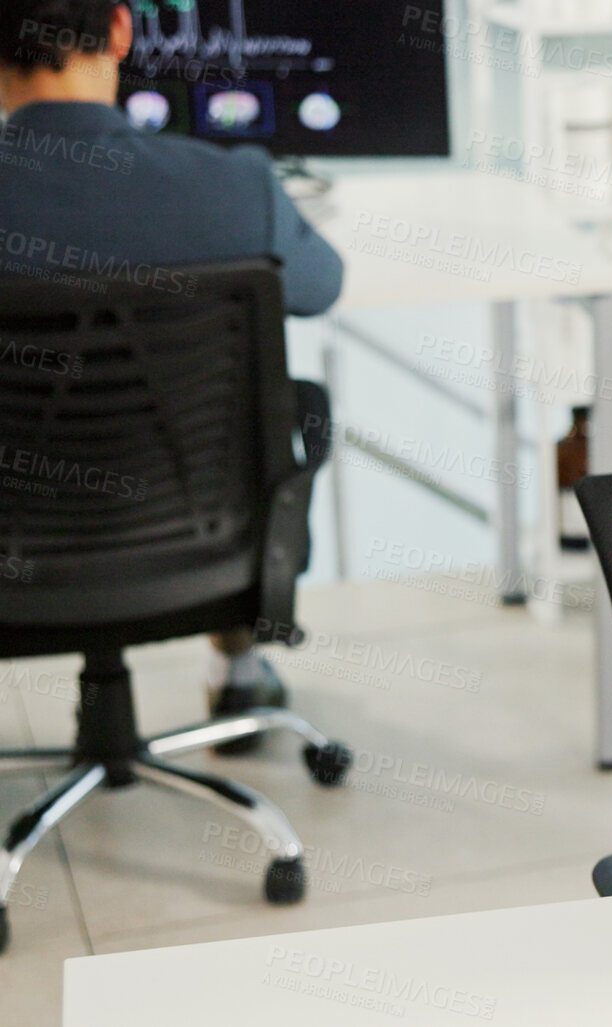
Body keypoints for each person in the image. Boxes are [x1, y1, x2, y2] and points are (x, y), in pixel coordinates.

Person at [0, 0, 344, 751]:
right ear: (122, 30)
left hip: (14, 560)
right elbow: (322, 286)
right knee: (229, 422)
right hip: (201, 550)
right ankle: (238, 672)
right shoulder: (234, 188)